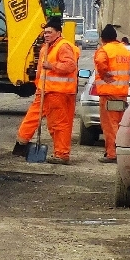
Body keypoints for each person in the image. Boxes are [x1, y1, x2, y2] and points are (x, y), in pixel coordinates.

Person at [13, 16, 80, 165]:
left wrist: (52, 66)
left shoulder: (63, 46)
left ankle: (62, 154)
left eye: (49, 32)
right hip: (44, 91)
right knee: (32, 118)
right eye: (45, 32)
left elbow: (70, 66)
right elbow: (40, 72)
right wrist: (38, 86)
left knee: (59, 124)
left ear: (58, 32)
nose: (46, 35)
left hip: (59, 93)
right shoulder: (46, 47)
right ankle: (21, 143)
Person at [93, 24, 130, 164]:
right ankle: (121, 152)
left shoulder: (104, 50)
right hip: (122, 93)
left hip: (108, 93)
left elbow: (100, 62)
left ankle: (112, 154)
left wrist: (104, 74)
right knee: (119, 124)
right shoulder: (124, 50)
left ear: (103, 39)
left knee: (110, 125)